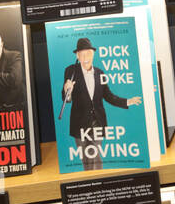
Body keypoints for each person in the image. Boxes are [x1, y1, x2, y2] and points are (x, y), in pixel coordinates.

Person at [61, 37, 142, 171]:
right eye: (82, 54)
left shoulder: (100, 73)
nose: (85, 56)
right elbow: (66, 98)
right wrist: (67, 90)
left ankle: (98, 182)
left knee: (94, 155)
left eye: (88, 53)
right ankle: (93, 183)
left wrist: (127, 101)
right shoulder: (71, 71)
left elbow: (108, 96)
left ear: (93, 54)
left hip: (96, 122)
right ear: (77, 55)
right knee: (86, 161)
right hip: (79, 123)